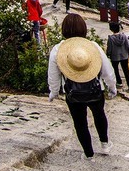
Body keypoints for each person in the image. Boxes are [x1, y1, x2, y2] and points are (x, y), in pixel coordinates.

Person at [48, 13, 117, 158]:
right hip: (95, 90)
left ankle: (88, 154)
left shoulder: (58, 49)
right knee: (99, 115)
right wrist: (112, 87)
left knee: (80, 123)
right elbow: (107, 70)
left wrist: (53, 92)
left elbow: (53, 75)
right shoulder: (93, 46)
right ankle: (105, 144)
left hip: (73, 93)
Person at [106, 21, 129, 92]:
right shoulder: (124, 36)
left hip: (115, 56)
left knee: (115, 70)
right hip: (124, 55)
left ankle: (119, 82)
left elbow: (109, 49)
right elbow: (128, 46)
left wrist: (108, 54)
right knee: (126, 70)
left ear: (111, 29)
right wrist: (128, 53)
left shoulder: (111, 38)